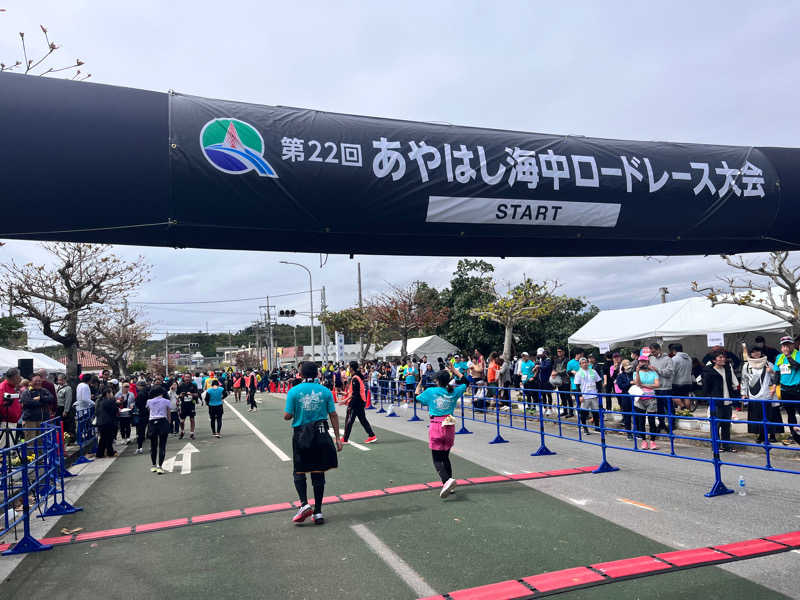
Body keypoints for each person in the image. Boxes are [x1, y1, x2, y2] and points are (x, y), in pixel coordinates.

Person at [284, 362, 342, 525]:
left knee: (299, 471)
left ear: (300, 374)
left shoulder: (294, 391)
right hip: (321, 433)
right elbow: (333, 414)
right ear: (317, 374)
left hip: (301, 434)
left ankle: (304, 504)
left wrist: (298, 410)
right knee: (318, 472)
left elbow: (287, 415)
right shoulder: (325, 391)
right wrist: (338, 438)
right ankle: (318, 512)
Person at [415, 363, 466, 499]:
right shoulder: (454, 391)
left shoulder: (431, 392)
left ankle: (447, 480)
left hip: (436, 424)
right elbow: (467, 382)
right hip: (449, 425)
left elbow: (417, 398)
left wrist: (418, 386)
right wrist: (455, 371)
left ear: (437, 381)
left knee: (437, 459)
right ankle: (449, 484)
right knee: (445, 457)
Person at [741, 346, 781, 444]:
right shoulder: (746, 366)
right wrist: (743, 393)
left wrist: (771, 372)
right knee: (758, 417)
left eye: (757, 351)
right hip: (754, 396)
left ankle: (772, 435)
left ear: (761, 352)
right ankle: (761, 435)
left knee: (771, 416)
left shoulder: (768, 363)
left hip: (768, 395)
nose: (756, 353)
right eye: (753, 352)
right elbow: (744, 380)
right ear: (750, 354)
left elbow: (776, 378)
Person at [702, 349, 739, 452]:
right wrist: (709, 399)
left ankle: (726, 445)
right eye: (720, 357)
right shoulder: (709, 371)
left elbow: (732, 384)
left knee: (726, 425)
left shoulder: (727, 369)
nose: (723, 359)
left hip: (728, 401)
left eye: (724, 357)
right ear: (714, 360)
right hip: (716, 402)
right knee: (715, 425)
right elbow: (706, 388)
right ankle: (716, 446)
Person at [773, 336, 800, 446]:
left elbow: (797, 366)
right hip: (785, 389)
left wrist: (788, 355)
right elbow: (777, 372)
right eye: (784, 345)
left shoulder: (797, 354)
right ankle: (795, 435)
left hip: (797, 388)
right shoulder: (779, 357)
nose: (786, 347)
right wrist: (775, 385)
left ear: (793, 345)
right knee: (790, 414)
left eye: (788, 344)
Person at [341, 361, 377, 444]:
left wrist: (345, 400)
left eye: (349, 367)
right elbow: (354, 391)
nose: (348, 368)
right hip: (360, 401)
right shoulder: (356, 377)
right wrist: (346, 394)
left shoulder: (355, 378)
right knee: (362, 420)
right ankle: (372, 435)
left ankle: (345, 439)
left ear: (352, 368)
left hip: (356, 402)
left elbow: (355, 393)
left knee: (349, 420)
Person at [634, 349, 661, 450]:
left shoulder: (653, 372)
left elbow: (657, 385)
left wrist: (644, 385)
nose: (642, 363)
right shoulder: (636, 372)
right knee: (640, 421)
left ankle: (653, 441)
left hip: (651, 399)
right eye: (640, 361)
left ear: (648, 362)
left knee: (652, 420)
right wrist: (637, 371)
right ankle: (644, 441)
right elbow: (637, 383)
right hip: (639, 399)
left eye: (644, 361)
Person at [649, 343, 674, 433]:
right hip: (655, 388)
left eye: (654, 352)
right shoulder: (651, 359)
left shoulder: (668, 359)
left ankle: (672, 425)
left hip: (665, 387)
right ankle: (661, 424)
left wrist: (657, 370)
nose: (653, 354)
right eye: (651, 352)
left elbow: (669, 372)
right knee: (659, 408)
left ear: (659, 349)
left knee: (669, 407)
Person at [20, 374, 54, 441]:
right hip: (31, 421)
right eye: (36, 381)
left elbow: (51, 398)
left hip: (43, 420)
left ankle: (41, 452)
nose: (38, 382)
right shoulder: (26, 392)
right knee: (31, 441)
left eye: (39, 381)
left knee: (42, 441)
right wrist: (43, 402)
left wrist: (40, 398)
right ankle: (31, 452)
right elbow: (28, 402)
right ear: (30, 382)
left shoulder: (44, 390)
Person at [146, 387, 171, 474]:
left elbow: (149, 410)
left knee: (153, 445)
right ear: (162, 393)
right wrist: (169, 423)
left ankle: (153, 465)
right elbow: (168, 413)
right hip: (163, 422)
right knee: (162, 445)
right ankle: (160, 466)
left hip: (152, 422)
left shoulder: (149, 401)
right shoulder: (166, 401)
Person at [573, 357, 600, 435]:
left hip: (593, 394)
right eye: (583, 363)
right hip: (585, 396)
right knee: (584, 413)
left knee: (595, 412)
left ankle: (597, 427)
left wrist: (599, 391)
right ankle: (584, 428)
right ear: (580, 365)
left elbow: (598, 381)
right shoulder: (578, 373)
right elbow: (577, 386)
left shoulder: (593, 371)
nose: (585, 364)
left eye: (586, 362)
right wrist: (580, 396)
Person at [95, 387, 119, 458]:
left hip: (101, 422)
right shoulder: (109, 401)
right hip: (107, 422)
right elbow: (114, 410)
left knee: (104, 438)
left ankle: (103, 452)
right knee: (108, 438)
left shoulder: (100, 401)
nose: (112, 394)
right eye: (111, 393)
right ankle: (107, 452)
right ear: (107, 394)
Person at [669, 343, 694, 410]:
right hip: (688, 381)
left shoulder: (675, 358)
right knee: (686, 396)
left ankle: (682, 407)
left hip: (677, 382)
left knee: (673, 396)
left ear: (674, 350)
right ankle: (687, 411)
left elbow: (672, 371)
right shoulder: (689, 358)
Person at [615, 359, 635, 439]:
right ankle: (629, 432)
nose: (629, 369)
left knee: (637, 415)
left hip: (635, 396)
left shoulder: (634, 374)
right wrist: (629, 383)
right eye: (627, 367)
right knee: (627, 415)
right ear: (623, 367)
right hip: (625, 396)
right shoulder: (620, 376)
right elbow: (621, 386)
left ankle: (637, 432)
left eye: (629, 367)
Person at [177, 373, 199, 440]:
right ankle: (182, 431)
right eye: (186, 377)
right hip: (183, 405)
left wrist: (191, 394)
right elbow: (177, 395)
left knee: (192, 419)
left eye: (188, 377)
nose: (187, 378)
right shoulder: (180, 385)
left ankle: (192, 433)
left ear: (190, 378)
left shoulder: (193, 385)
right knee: (182, 421)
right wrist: (181, 395)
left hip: (191, 404)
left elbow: (197, 394)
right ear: (184, 378)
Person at [552, 348, 572, 417]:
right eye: (557, 351)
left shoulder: (567, 360)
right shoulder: (556, 360)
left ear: (563, 352)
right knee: (562, 396)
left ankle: (571, 412)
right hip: (559, 380)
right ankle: (565, 411)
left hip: (566, 380)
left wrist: (556, 372)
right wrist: (553, 373)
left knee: (568, 396)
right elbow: (554, 368)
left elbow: (566, 370)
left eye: (560, 351)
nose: (559, 352)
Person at [535, 348, 554, 416]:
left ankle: (550, 408)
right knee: (543, 395)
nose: (540, 356)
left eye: (541, 354)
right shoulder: (539, 360)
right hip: (540, 380)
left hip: (547, 380)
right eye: (539, 355)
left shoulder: (548, 360)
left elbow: (547, 367)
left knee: (548, 394)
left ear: (544, 353)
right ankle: (545, 408)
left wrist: (539, 366)